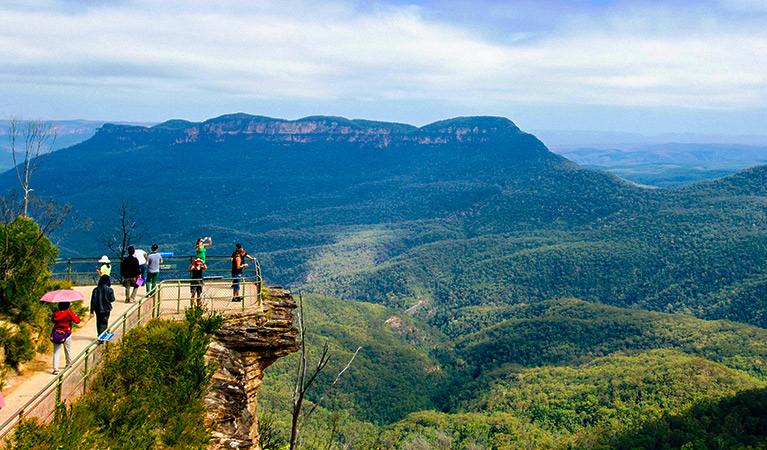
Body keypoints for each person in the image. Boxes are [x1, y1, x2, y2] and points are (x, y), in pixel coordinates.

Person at [50, 302, 80, 375]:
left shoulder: (55, 313)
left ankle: (55, 369)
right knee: (67, 349)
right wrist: (75, 316)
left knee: (56, 351)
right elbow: (77, 321)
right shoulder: (69, 313)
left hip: (56, 333)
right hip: (67, 333)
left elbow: (52, 320)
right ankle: (68, 363)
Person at [90, 274, 115, 338]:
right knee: (104, 322)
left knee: (99, 322)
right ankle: (102, 337)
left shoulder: (95, 289)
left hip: (97, 308)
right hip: (106, 308)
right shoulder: (109, 289)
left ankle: (100, 335)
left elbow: (93, 301)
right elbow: (112, 299)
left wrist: (91, 311)